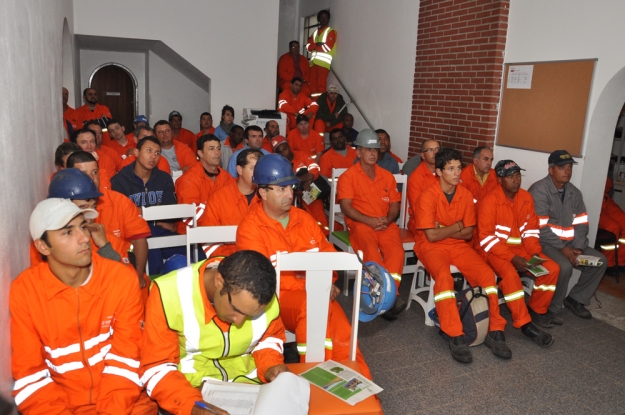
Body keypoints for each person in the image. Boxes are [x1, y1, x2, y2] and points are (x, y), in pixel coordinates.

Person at [11, 198, 156, 414]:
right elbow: (31, 377)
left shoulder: (120, 279)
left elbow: (127, 359)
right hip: (65, 407)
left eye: (83, 227)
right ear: (43, 246)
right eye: (67, 232)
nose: (84, 239)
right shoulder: (26, 292)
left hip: (127, 404)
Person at [236, 154, 371, 377]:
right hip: (275, 301)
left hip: (314, 294)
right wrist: (314, 286)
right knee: (314, 304)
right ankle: (318, 378)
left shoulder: (303, 218)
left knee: (343, 331)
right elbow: (261, 282)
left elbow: (328, 254)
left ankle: (360, 391)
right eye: (281, 189)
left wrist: (327, 282)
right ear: (262, 192)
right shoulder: (250, 229)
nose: (290, 194)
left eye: (290, 187)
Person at [139, 251, 287, 415]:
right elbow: (156, 368)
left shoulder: (261, 291)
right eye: (236, 310)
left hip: (250, 389)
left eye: (251, 315)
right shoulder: (169, 294)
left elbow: (269, 339)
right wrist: (194, 407)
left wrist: (271, 366)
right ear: (219, 281)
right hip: (188, 392)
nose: (239, 321)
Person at [413, 148, 511, 363]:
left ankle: (495, 328)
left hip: (458, 246)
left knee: (487, 275)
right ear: (438, 171)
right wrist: (457, 225)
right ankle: (454, 333)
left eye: (458, 168)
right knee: (445, 278)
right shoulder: (427, 196)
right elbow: (430, 236)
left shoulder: (465, 195)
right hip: (431, 247)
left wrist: (448, 228)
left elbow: (468, 232)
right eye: (450, 169)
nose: (457, 173)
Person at [477, 160, 556, 345]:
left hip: (522, 250)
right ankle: (524, 323)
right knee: (511, 275)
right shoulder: (490, 201)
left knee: (551, 269)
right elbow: (487, 239)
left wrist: (535, 254)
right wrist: (513, 258)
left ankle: (537, 309)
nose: (516, 180)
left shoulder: (526, 198)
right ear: (500, 180)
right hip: (494, 252)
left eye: (518, 175)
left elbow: (531, 231)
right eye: (511, 177)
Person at [529, 150, 607, 320]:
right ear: (551, 170)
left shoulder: (574, 193)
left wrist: (578, 246)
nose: (567, 171)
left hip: (571, 244)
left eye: (569, 167)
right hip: (546, 243)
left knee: (600, 261)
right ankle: (553, 308)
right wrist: (563, 248)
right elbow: (540, 229)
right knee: (564, 267)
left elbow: (582, 223)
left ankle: (576, 299)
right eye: (562, 167)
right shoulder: (540, 191)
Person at [338, 129, 405, 320]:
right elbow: (346, 207)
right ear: (358, 152)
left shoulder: (387, 175)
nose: (373, 153)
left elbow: (394, 204)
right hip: (361, 224)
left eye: (375, 149)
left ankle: (386, 297)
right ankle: (390, 298)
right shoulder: (348, 176)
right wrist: (369, 220)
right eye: (368, 149)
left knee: (397, 253)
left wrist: (388, 220)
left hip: (385, 224)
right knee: (372, 252)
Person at [67, 151, 151, 292]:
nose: (91, 178)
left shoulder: (119, 201)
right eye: (84, 174)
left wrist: (139, 274)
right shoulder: (62, 212)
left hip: (120, 267)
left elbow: (139, 238)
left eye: (94, 172)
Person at [111, 136, 181, 274]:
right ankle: (153, 282)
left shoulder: (164, 178)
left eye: (157, 153)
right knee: (148, 235)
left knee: (191, 250)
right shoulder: (119, 180)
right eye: (149, 151)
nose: (153, 156)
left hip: (163, 232)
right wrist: (156, 221)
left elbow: (170, 213)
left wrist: (142, 213)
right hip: (133, 235)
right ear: (136, 153)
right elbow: (124, 213)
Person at [198, 149, 263, 257]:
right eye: (253, 168)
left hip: (262, 262)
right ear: (239, 170)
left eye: (260, 169)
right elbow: (208, 241)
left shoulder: (268, 197)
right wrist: (229, 262)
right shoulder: (219, 198)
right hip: (227, 262)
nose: (258, 173)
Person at [175, 134, 234, 234]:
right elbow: (191, 216)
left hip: (223, 231)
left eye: (218, 148)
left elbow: (236, 205)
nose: (217, 153)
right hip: (192, 237)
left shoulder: (226, 177)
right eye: (211, 149)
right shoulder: (188, 180)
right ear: (200, 153)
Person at [272, 135, 329, 232]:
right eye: (280, 152)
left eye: (285, 149)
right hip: (293, 197)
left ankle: (323, 237)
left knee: (318, 215)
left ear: (289, 147)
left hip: (311, 192)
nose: (283, 153)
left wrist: (310, 177)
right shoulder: (277, 165)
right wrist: (301, 178)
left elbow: (314, 167)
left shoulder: (301, 155)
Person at [407, 139, 440, 235]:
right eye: (430, 150)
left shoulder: (445, 173)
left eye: (437, 149)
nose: (435, 153)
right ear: (422, 155)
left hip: (444, 219)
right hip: (421, 222)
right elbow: (417, 208)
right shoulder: (416, 177)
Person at [306, 9, 337, 96]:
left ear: (328, 19)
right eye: (321, 17)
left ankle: (320, 107)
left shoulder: (331, 32)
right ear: (318, 19)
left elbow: (327, 47)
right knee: (312, 87)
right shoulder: (315, 33)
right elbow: (308, 47)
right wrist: (317, 44)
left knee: (321, 86)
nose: (323, 19)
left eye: (325, 17)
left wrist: (314, 46)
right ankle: (314, 106)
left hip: (323, 64)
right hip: (313, 64)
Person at [598, 175, 625, 268]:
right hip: (596, 204)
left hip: (606, 201)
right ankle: (608, 263)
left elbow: (608, 186)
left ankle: (620, 260)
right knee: (613, 227)